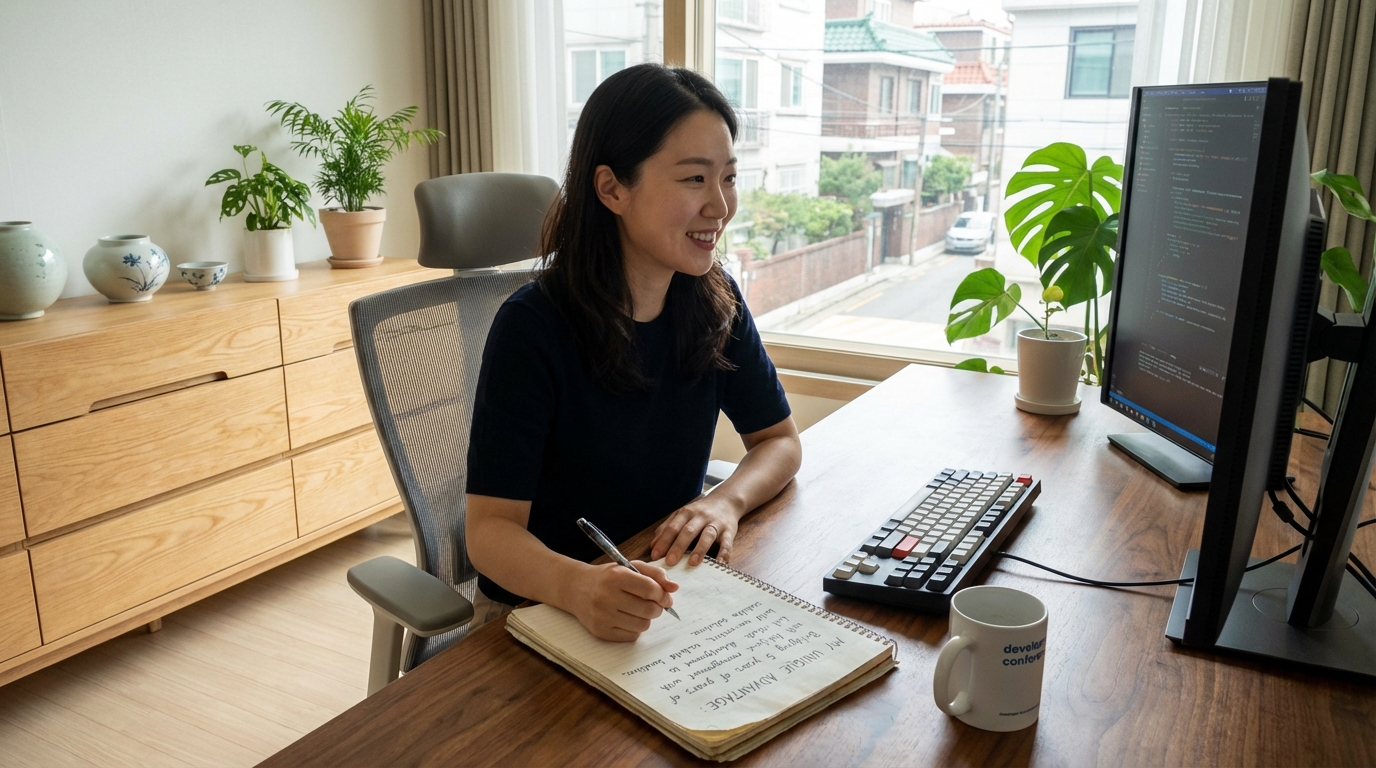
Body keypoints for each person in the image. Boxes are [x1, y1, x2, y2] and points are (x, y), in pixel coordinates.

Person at [465, 63, 802, 642]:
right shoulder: (533, 326)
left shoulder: (713, 301)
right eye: (694, 180)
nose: (720, 207)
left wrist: (724, 503)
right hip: (539, 607)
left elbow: (779, 442)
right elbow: (489, 533)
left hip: (660, 586)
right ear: (612, 188)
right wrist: (577, 586)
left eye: (728, 178)